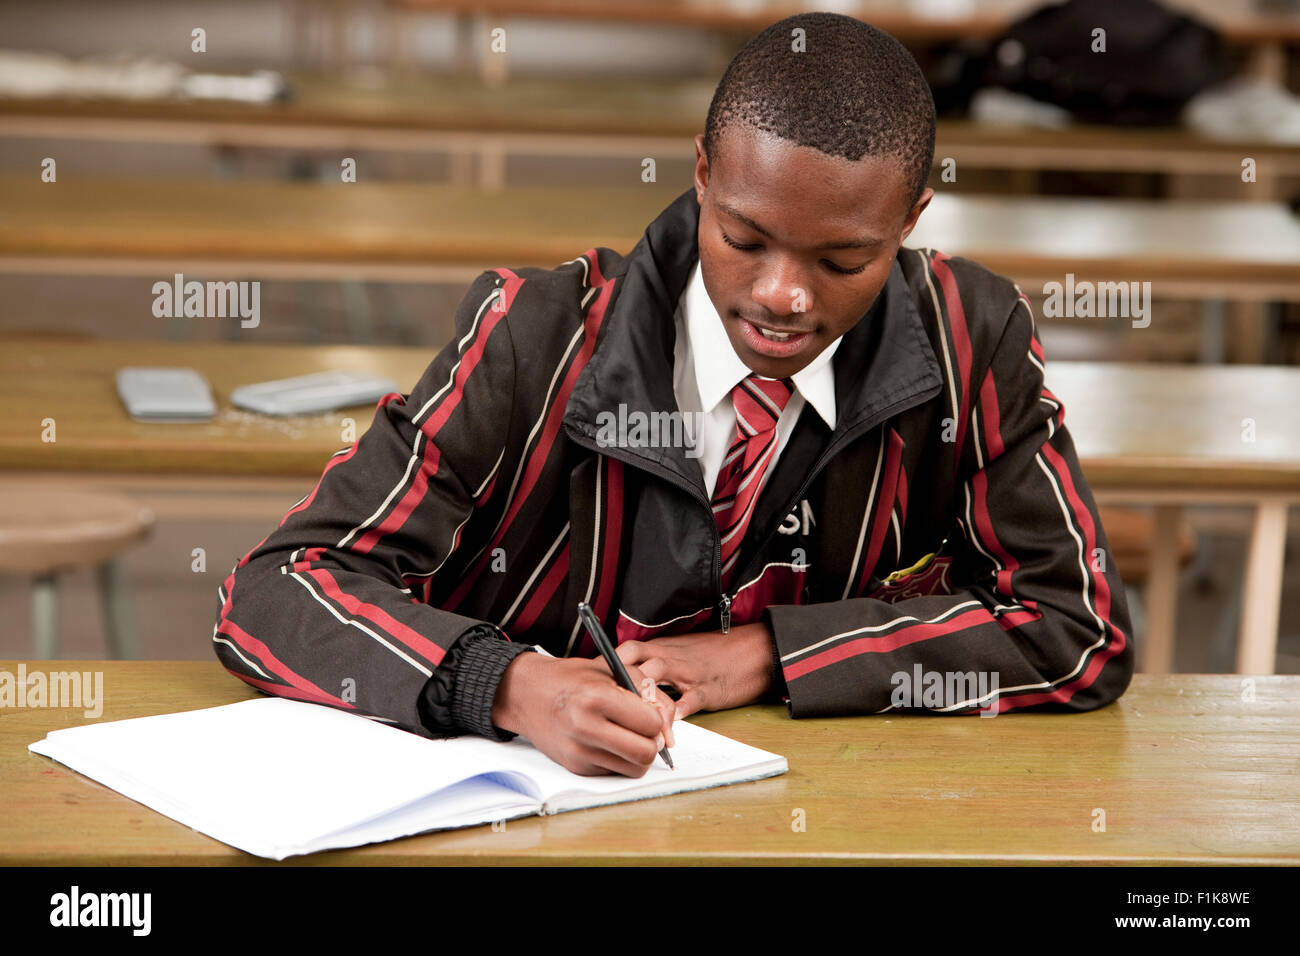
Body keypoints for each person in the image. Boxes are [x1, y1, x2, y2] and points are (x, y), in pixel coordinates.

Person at [213, 12, 1133, 778]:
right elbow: (277, 588)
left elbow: (1073, 626)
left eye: (843, 259)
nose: (783, 294)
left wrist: (775, 651)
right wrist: (510, 684)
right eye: (744, 237)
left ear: (911, 221)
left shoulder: (970, 341)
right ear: (700, 174)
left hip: (806, 818)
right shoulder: (538, 335)